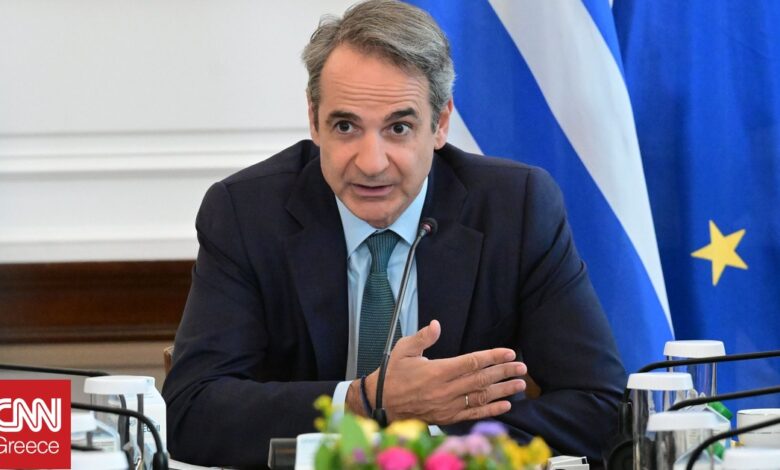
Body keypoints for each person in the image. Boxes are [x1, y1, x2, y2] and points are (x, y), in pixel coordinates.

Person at [162, 1, 626, 468]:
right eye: (346, 126)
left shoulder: (515, 209)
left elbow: (600, 407)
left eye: (399, 127)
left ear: (440, 124)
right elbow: (190, 412)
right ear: (314, 120)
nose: (371, 163)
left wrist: (426, 446)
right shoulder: (246, 214)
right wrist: (363, 400)